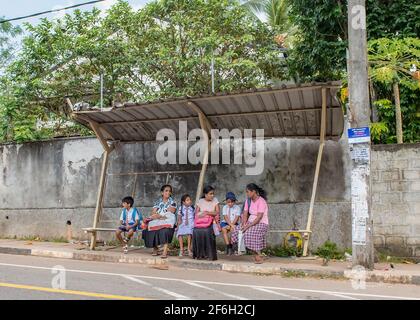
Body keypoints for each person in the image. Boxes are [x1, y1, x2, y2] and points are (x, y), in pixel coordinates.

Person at [231, 183, 269, 264]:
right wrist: (244, 223)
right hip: (249, 222)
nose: (247, 193)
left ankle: (258, 257)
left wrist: (248, 226)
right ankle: (240, 249)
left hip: (261, 223)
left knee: (249, 233)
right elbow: (245, 213)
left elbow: (259, 217)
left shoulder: (261, 201)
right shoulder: (248, 201)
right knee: (237, 230)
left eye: (248, 192)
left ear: (254, 192)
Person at [142, 185, 177, 259]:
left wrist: (159, 216)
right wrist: (157, 216)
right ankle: (155, 248)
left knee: (165, 230)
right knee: (149, 229)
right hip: (157, 219)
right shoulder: (157, 202)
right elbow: (153, 212)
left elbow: (171, 212)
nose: (168, 192)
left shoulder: (173, 202)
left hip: (167, 220)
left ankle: (164, 251)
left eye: (169, 191)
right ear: (162, 192)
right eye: (166, 191)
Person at [192, 185, 219, 261]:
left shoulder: (215, 200)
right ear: (205, 194)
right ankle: (200, 255)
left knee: (207, 231)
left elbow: (216, 212)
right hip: (201, 222)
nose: (212, 195)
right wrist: (203, 214)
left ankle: (209, 254)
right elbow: (197, 213)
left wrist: (207, 213)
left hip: (211, 221)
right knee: (196, 231)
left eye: (213, 193)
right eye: (210, 194)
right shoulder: (200, 201)